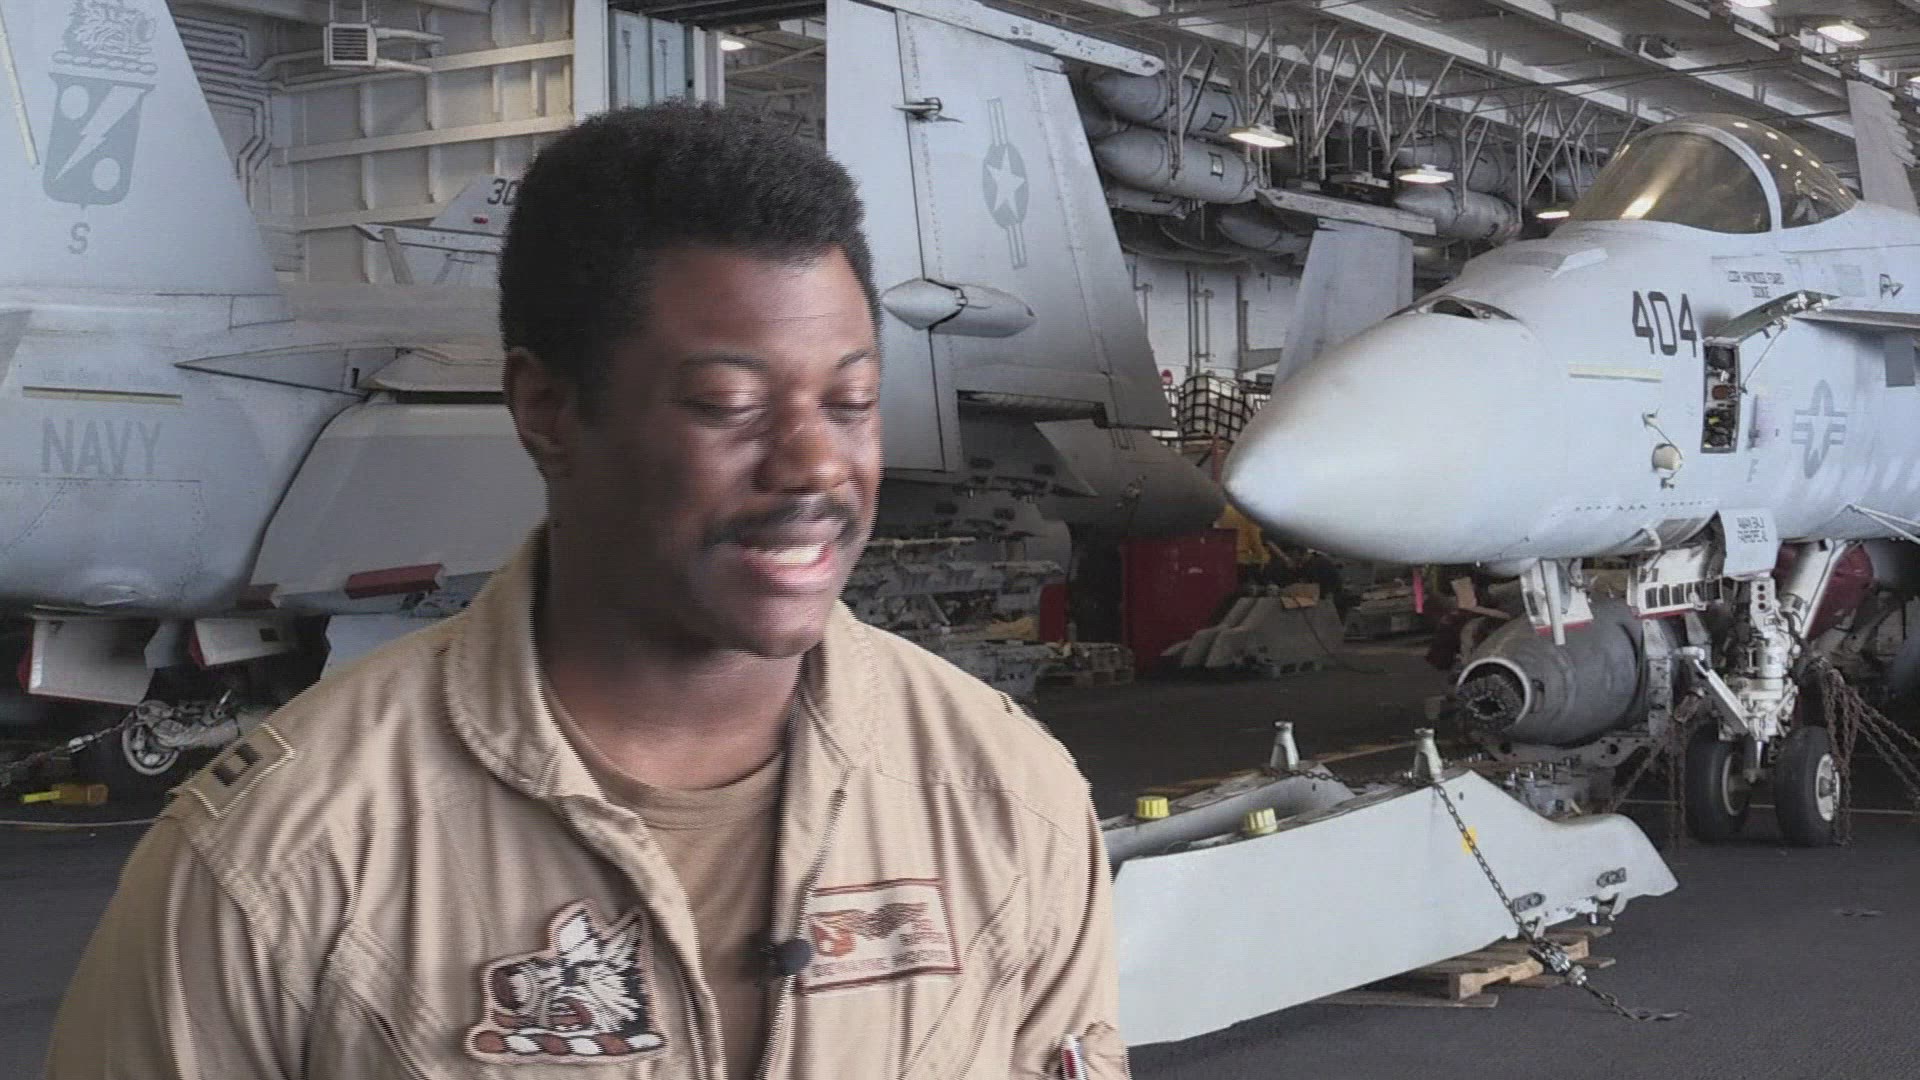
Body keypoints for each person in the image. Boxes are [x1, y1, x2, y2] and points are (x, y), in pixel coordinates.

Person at [47, 102, 1127, 1079]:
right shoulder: (279, 860)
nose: (814, 468)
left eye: (851, 404)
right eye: (728, 405)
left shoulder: (1006, 796)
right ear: (547, 410)